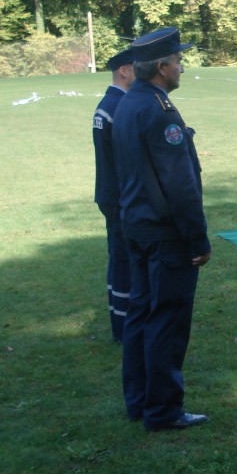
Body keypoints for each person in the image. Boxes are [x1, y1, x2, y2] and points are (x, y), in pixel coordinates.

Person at [112, 27, 212, 429]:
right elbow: (179, 184)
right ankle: (164, 410)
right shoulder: (158, 110)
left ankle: (140, 401)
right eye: (177, 61)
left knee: (140, 315)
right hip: (164, 233)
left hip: (137, 226)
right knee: (166, 321)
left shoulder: (129, 102)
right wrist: (197, 240)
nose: (181, 68)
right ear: (161, 67)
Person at [93, 47, 136, 343]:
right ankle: (124, 327)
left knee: (118, 259)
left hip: (109, 193)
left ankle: (120, 321)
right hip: (121, 196)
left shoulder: (107, 104)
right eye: (137, 67)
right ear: (124, 70)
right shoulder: (119, 106)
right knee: (124, 261)